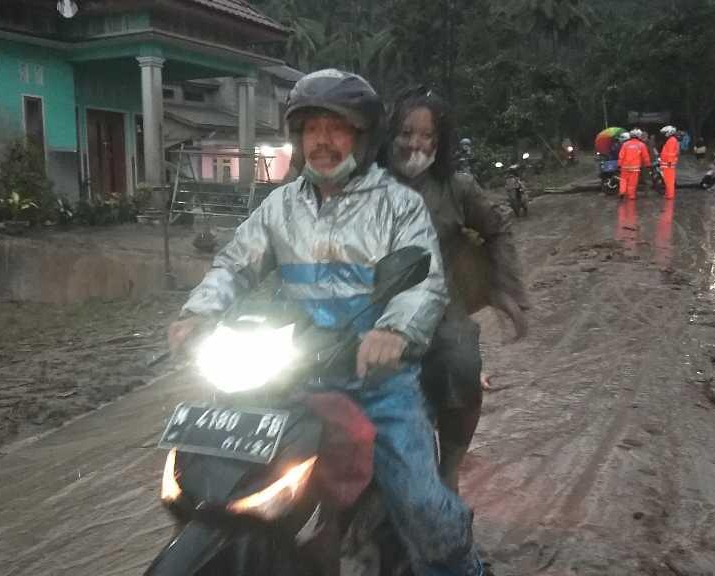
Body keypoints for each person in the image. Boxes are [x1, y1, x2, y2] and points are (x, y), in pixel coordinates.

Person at [167, 69, 486, 576]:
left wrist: (394, 332)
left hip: (378, 381)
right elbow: (234, 264)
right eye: (312, 128)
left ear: (363, 136)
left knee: (422, 503)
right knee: (215, 473)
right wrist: (199, 313)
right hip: (293, 371)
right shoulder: (280, 206)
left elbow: (422, 284)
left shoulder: (398, 206)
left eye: (336, 128)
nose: (322, 140)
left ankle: (461, 564)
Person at [380, 86, 528, 493]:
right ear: (390, 133)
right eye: (407, 132)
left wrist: (505, 290)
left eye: (427, 135)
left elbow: (498, 228)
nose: (415, 143)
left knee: (463, 365)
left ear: (439, 141)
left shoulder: (457, 187)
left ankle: (450, 467)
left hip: (440, 306)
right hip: (369, 307)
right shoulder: (365, 186)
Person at [618, 128, 651, 200]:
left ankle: (622, 192)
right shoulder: (641, 145)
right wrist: (648, 164)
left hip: (624, 166)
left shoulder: (625, 144)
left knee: (623, 180)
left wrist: (619, 164)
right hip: (635, 167)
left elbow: (621, 155)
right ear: (639, 136)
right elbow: (645, 156)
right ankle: (631, 196)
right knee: (632, 182)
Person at [659, 125, 681, 199]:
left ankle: (670, 195)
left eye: (665, 133)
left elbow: (671, 153)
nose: (664, 134)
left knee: (669, 181)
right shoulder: (672, 140)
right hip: (668, 164)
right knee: (668, 181)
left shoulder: (671, 140)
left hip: (668, 164)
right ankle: (668, 194)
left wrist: (669, 162)